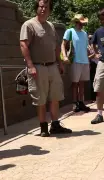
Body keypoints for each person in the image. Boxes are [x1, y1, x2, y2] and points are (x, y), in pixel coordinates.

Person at [19, 0, 72, 137]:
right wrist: (30, 65)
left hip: (52, 66)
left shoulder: (50, 26)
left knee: (55, 96)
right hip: (37, 66)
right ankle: (43, 128)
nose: (43, 9)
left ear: (50, 10)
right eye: (41, 6)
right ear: (37, 8)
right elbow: (24, 45)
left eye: (46, 7)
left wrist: (59, 63)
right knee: (40, 98)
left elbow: (55, 47)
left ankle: (55, 125)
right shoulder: (29, 25)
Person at [61, 14, 91, 113]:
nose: (82, 24)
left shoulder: (85, 33)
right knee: (75, 83)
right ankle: (75, 102)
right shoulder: (70, 31)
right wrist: (64, 56)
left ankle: (81, 102)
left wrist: (91, 56)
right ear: (76, 22)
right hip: (75, 60)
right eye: (81, 22)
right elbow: (63, 44)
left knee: (82, 83)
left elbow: (87, 47)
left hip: (85, 61)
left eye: (83, 23)